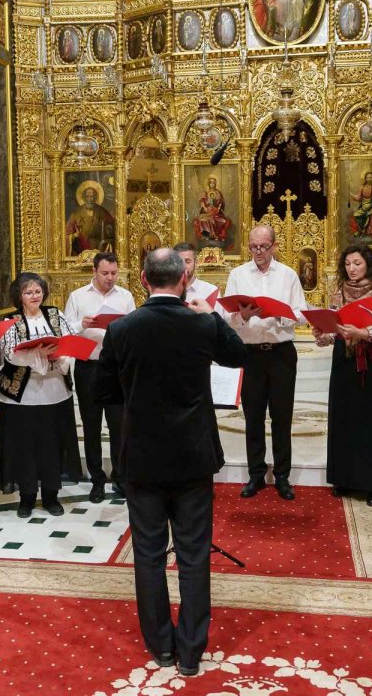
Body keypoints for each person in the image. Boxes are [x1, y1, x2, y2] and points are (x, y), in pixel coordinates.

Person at [96, 248, 247, 677]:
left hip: (142, 456)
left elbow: (103, 392)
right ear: (184, 278)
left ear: (143, 279)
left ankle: (161, 647)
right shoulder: (201, 324)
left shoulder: (122, 328)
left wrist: (139, 394)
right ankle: (192, 652)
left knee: (147, 553)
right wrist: (212, 315)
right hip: (192, 455)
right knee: (194, 554)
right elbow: (238, 357)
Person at [224, 225, 308, 500]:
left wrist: (282, 315)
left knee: (282, 418)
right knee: (253, 417)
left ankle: (282, 476)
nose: (258, 252)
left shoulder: (288, 275)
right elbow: (227, 318)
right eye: (253, 247)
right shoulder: (238, 274)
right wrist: (244, 316)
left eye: (263, 247)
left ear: (274, 246)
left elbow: (303, 311)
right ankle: (256, 475)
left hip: (281, 353)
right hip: (251, 354)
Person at [313, 245, 372, 506]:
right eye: (348, 264)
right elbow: (331, 330)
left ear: (368, 265)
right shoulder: (338, 291)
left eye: (357, 263)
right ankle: (344, 478)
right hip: (345, 360)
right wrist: (322, 334)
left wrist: (362, 333)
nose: (352, 269)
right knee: (345, 417)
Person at [0, 273, 83, 518]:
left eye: (37, 291)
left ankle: (51, 495)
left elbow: (69, 342)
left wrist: (60, 354)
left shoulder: (56, 314)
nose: (34, 296)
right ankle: (26, 497)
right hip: (23, 394)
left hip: (55, 389)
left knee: (52, 443)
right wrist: (38, 355)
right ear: (19, 296)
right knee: (25, 446)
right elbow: (10, 354)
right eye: (28, 292)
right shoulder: (11, 320)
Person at [64, 252, 136, 503]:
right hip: (88, 367)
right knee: (91, 425)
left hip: (117, 368)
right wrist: (82, 324)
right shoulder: (78, 297)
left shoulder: (125, 296)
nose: (110, 278)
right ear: (94, 271)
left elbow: (135, 330)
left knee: (119, 426)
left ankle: (120, 477)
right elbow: (66, 331)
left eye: (114, 273)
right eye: (105, 273)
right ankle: (96, 480)